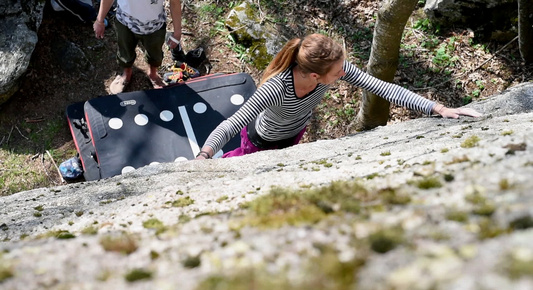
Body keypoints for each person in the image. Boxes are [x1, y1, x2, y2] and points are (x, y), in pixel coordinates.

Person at [194, 33, 482, 160]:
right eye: (338, 70)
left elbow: (381, 87)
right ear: (316, 76)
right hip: (261, 140)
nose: (343, 72)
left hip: (295, 134)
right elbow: (233, 123)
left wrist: (437, 108)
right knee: (236, 164)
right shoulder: (276, 88)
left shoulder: (336, 70)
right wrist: (205, 155)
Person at [93, 0, 182, 94]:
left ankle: (153, 74)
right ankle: (126, 74)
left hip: (154, 26)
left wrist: (177, 32)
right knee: (125, 51)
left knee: (155, 53)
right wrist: (100, 20)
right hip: (125, 22)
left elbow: (175, 2)